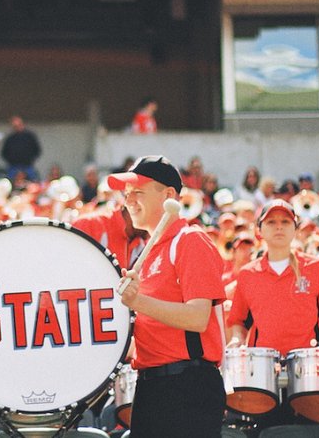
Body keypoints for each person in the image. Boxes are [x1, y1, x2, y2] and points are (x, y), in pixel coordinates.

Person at [109, 155, 227, 438]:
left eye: (138, 191)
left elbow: (198, 317)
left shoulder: (190, 240)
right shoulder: (147, 253)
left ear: (169, 195)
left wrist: (137, 302)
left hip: (187, 385)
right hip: (152, 386)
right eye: (126, 194)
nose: (129, 200)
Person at [227, 199, 319, 356]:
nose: (279, 227)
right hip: (264, 364)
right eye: (271, 222)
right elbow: (239, 322)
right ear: (259, 231)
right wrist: (237, 339)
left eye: (285, 221)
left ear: (295, 229)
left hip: (307, 364)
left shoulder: (317, 268)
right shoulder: (247, 274)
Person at [0, 115, 41, 182]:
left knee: (34, 182)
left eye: (19, 125)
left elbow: (37, 150)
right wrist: (11, 160)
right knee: (8, 183)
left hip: (28, 165)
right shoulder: (10, 138)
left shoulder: (30, 136)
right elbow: (4, 153)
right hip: (13, 166)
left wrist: (31, 158)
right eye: (15, 126)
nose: (17, 127)